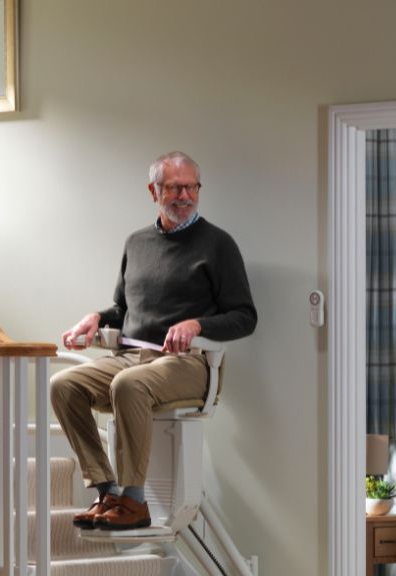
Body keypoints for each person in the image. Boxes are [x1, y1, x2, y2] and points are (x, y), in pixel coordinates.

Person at [49, 151, 257, 530]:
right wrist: (96, 317)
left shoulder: (217, 244)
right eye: (174, 187)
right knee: (63, 384)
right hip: (133, 357)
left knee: (128, 385)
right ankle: (106, 489)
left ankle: (134, 501)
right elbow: (123, 307)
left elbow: (245, 317)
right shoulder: (136, 243)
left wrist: (197, 324)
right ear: (154, 191)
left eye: (191, 187)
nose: (184, 195)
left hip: (190, 365)